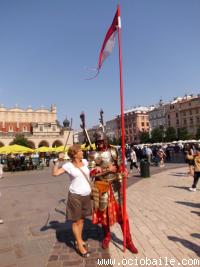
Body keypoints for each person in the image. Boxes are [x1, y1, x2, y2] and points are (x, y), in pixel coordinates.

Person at [88, 130, 138, 254]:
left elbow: (119, 165)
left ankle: (129, 240)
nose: (99, 144)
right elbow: (91, 172)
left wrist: (123, 171)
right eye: (97, 142)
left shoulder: (113, 151)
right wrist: (104, 169)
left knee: (122, 216)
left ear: (105, 140)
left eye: (101, 141)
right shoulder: (93, 154)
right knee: (104, 216)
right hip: (102, 187)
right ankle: (107, 236)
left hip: (115, 186)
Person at [52, 144, 92, 257]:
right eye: (80, 151)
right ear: (74, 154)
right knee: (76, 221)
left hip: (87, 195)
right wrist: (56, 162)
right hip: (75, 196)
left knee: (82, 220)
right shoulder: (68, 165)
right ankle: (79, 244)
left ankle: (79, 239)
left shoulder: (85, 162)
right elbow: (55, 173)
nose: (82, 152)